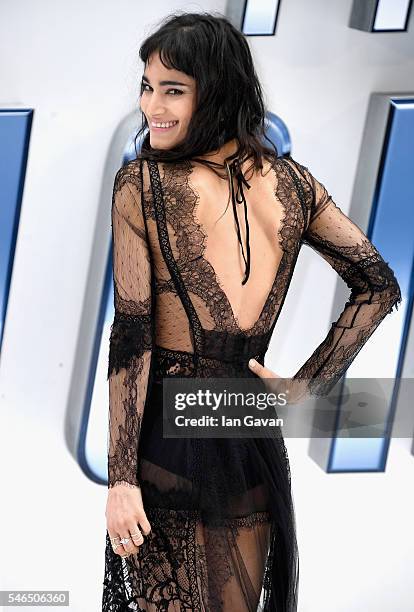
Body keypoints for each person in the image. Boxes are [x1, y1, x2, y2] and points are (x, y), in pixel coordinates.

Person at [101, 11, 402, 612]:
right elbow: (379, 284)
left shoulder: (143, 185)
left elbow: (134, 339)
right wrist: (303, 387)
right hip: (248, 431)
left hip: (170, 433)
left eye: (173, 89)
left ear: (216, 90)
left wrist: (121, 479)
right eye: (147, 85)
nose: (151, 106)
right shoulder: (293, 184)